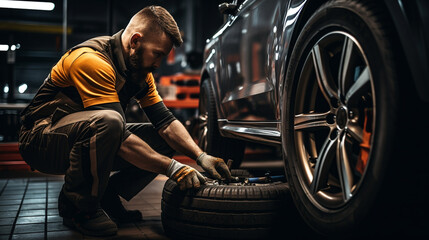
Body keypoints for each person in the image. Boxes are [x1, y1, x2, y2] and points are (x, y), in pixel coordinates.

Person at [18, 5, 232, 237]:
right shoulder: (92, 60)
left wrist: (200, 156)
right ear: (135, 41)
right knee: (109, 122)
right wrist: (172, 168)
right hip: (40, 140)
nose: (159, 63)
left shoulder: (139, 71)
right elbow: (116, 134)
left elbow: (166, 123)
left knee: (165, 140)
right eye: (158, 53)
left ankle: (106, 194)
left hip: (81, 134)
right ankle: (79, 208)